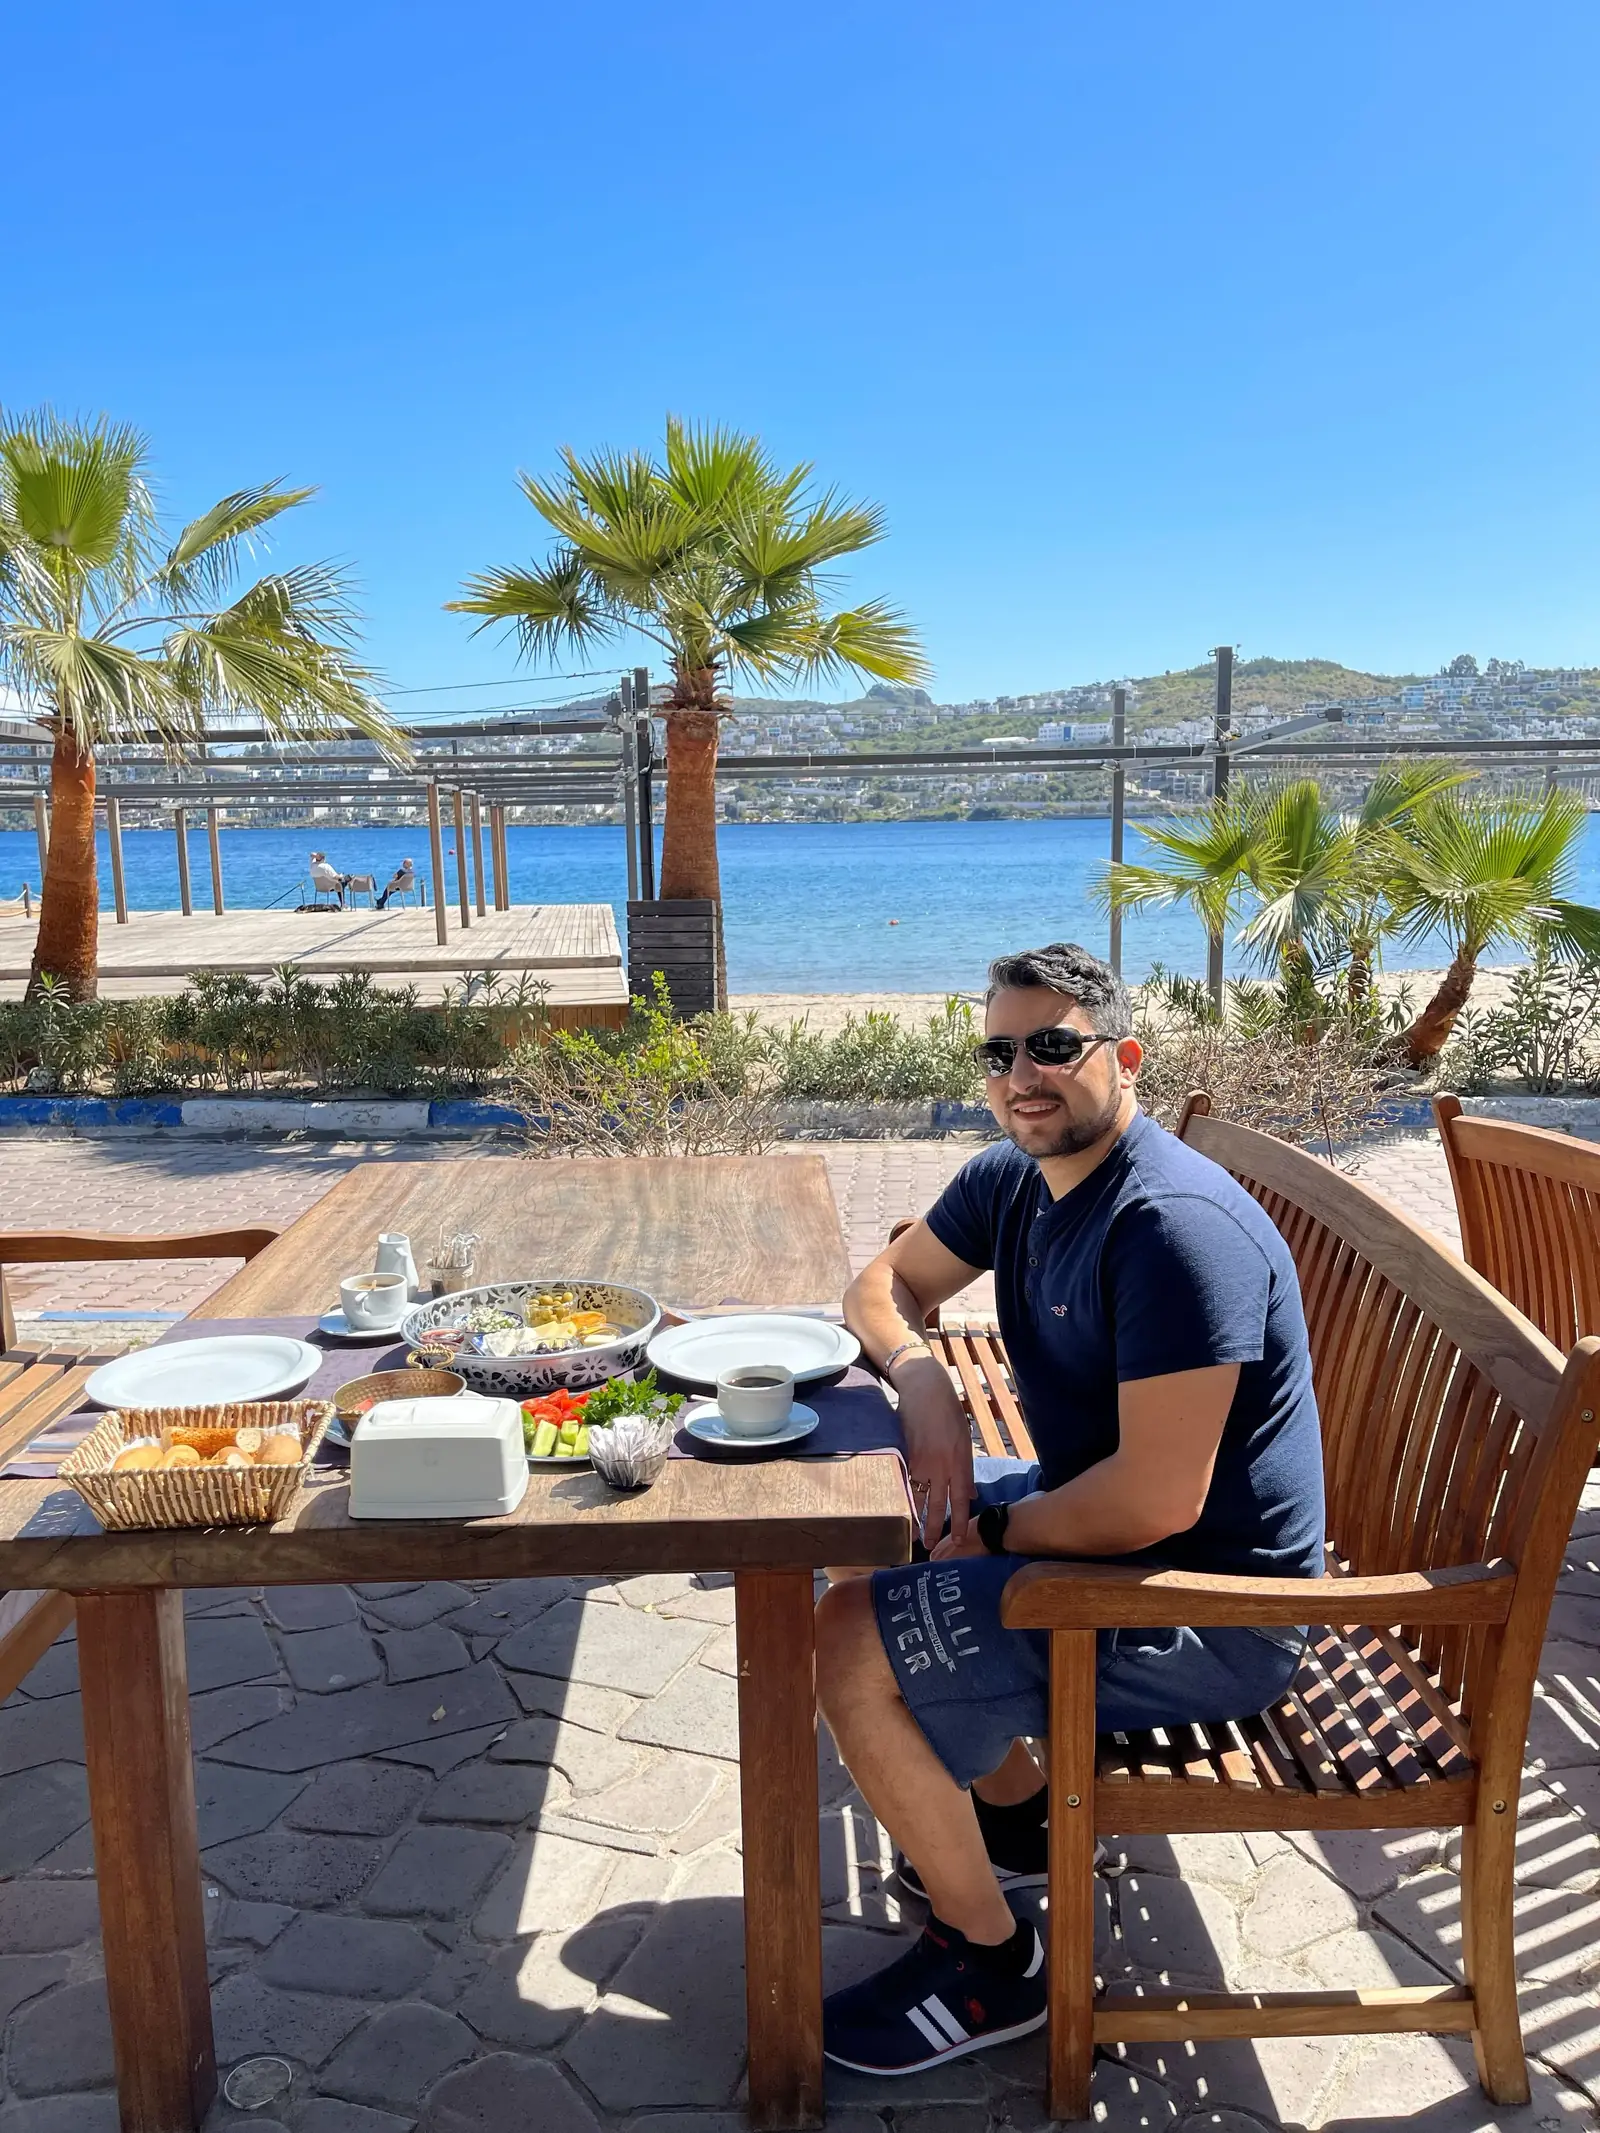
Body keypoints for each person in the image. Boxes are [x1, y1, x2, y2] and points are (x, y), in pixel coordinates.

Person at [816, 941, 1324, 2075]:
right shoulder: (1017, 1176)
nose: (1021, 1076)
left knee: (854, 1633)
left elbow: (1150, 1501)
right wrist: (923, 1380)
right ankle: (1018, 1821)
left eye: (1052, 1046)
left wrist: (989, 1532)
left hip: (1210, 1612)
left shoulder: (1170, 1231)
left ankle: (992, 1967)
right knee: (870, 1518)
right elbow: (878, 1285)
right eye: (999, 1052)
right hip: (1111, 1534)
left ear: (1125, 1058)